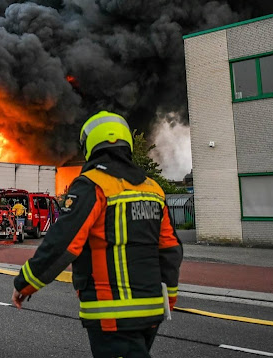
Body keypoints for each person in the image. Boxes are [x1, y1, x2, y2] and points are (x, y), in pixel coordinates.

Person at [11, 111, 182, 358]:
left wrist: (25, 282)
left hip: (111, 313)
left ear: (89, 145)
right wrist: (169, 297)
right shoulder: (152, 189)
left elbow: (64, 243)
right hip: (152, 310)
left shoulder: (92, 185)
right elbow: (170, 249)